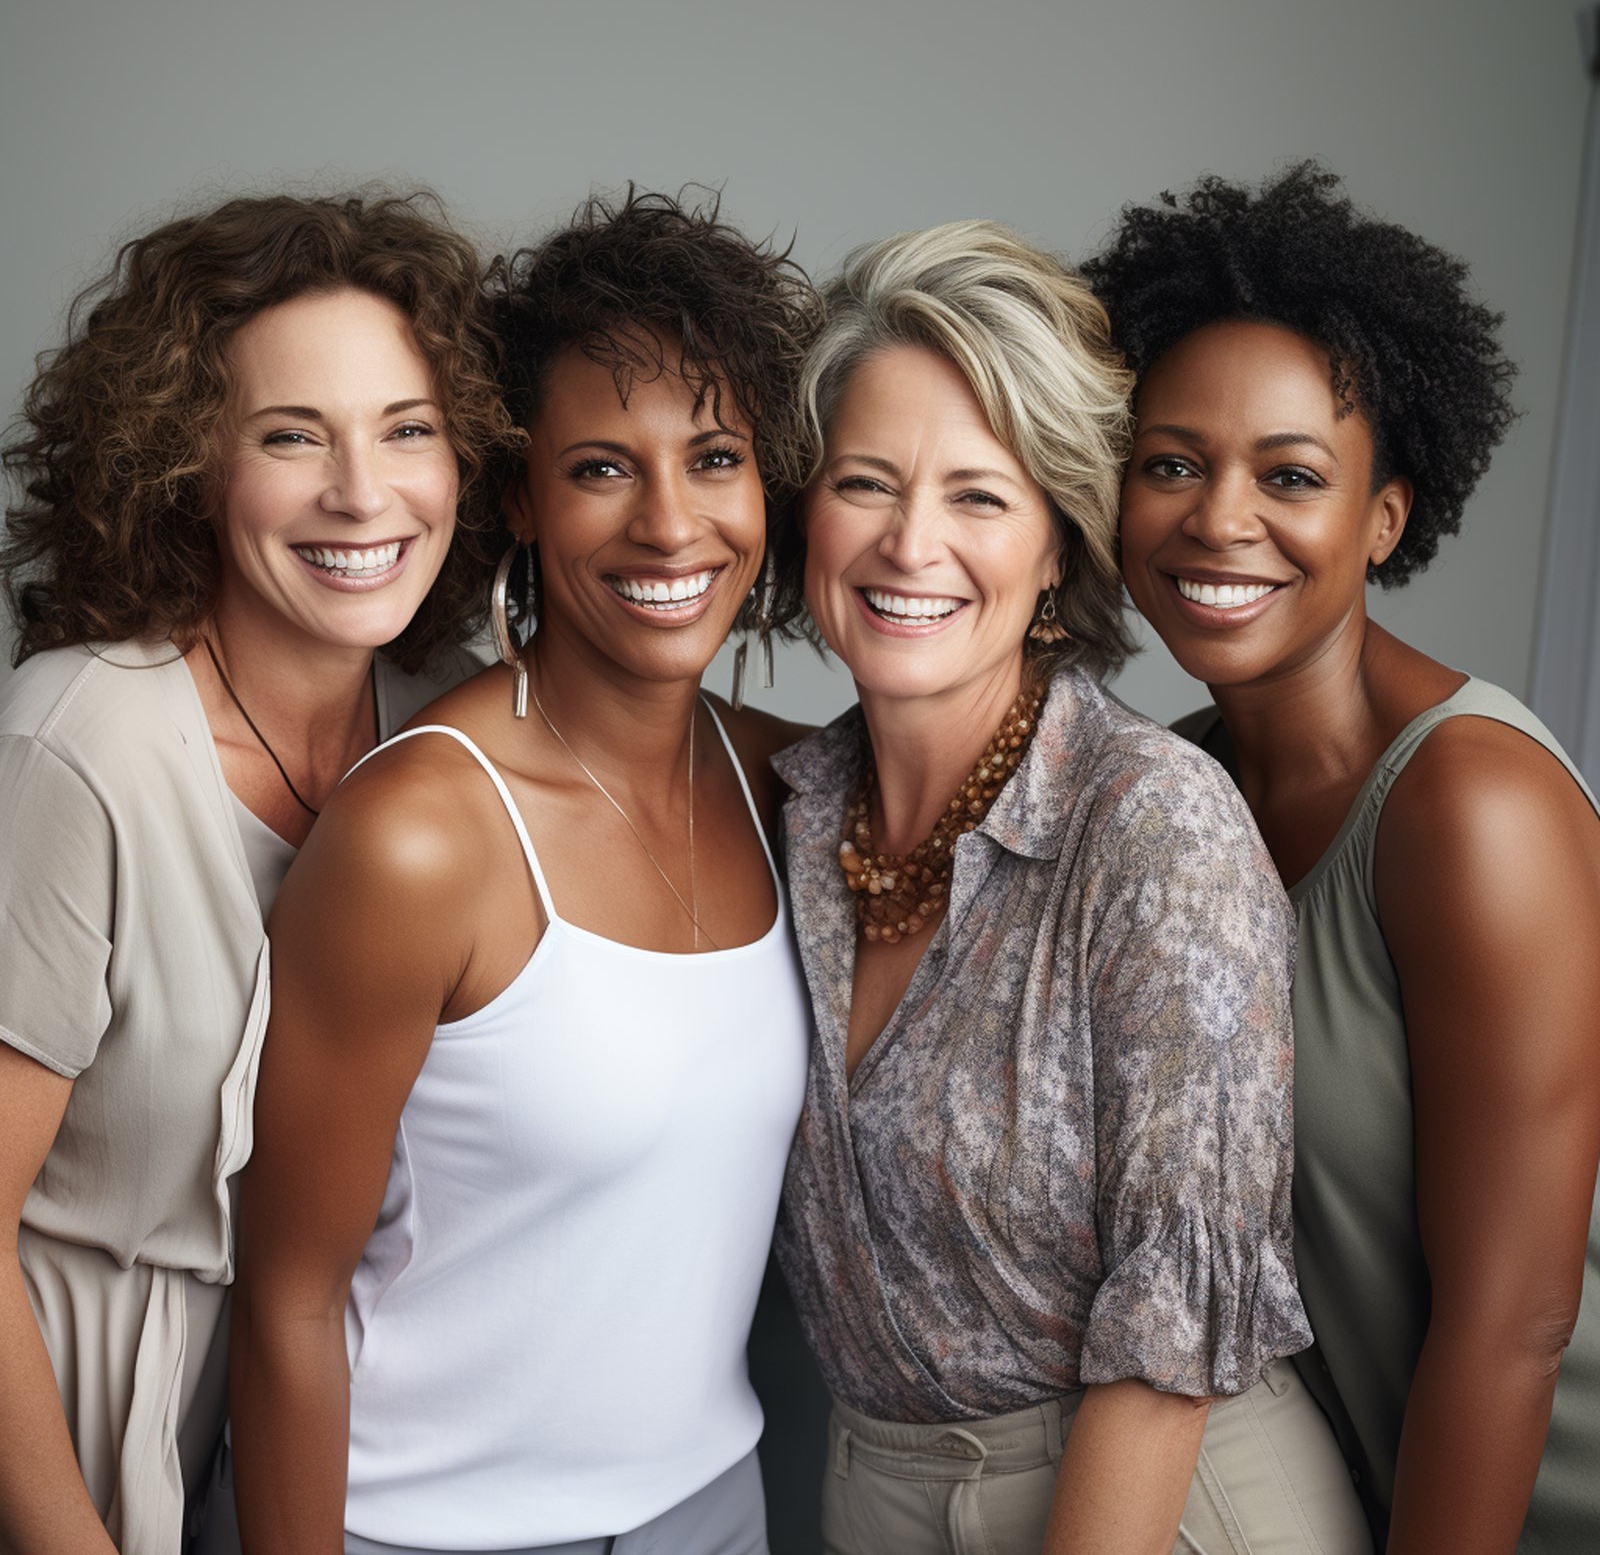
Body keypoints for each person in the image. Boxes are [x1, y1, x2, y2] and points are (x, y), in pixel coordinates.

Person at [229, 190, 821, 1555]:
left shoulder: (787, 782)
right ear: (522, 498)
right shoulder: (422, 836)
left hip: (713, 1514)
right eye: (605, 467)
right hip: (419, 1532)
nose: (673, 525)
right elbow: (285, 1305)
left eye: (716, 457)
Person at [769, 220, 1372, 1554]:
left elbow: (1172, 1333)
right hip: (875, 1492)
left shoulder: (1150, 826)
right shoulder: (790, 817)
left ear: (1057, 548)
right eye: (866, 483)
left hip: (1158, 1500)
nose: (909, 543)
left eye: (980, 496)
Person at [1086, 163, 1600, 1553]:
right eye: (1172, 463)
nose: (1219, 518)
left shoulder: (1471, 804)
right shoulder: (1171, 792)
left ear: (1384, 517)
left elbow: (1515, 1323)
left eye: (1292, 476)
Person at [0, 190, 515, 1554]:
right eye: (293, 437)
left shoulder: (447, 726)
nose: (363, 493)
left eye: (407, 431)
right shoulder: (81, 740)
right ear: (184, 463)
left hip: (269, 1451)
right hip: (45, 1434)